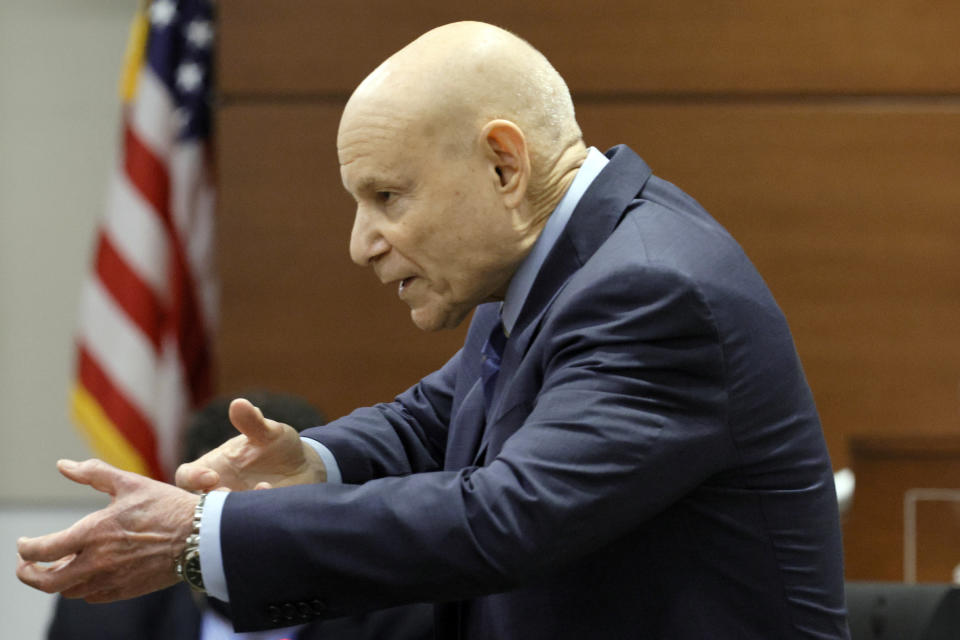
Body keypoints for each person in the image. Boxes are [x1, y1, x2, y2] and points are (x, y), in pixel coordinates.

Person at [18, 21, 850, 639]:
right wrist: (313, 459)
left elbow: (505, 516)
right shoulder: (557, 259)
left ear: (503, 164)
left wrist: (202, 535)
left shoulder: (650, 288)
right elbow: (437, 414)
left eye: (387, 197)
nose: (361, 243)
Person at [45, 392, 433, 640]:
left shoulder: (404, 617)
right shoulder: (102, 618)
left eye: (269, 517)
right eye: (222, 519)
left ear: (323, 506)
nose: (246, 540)